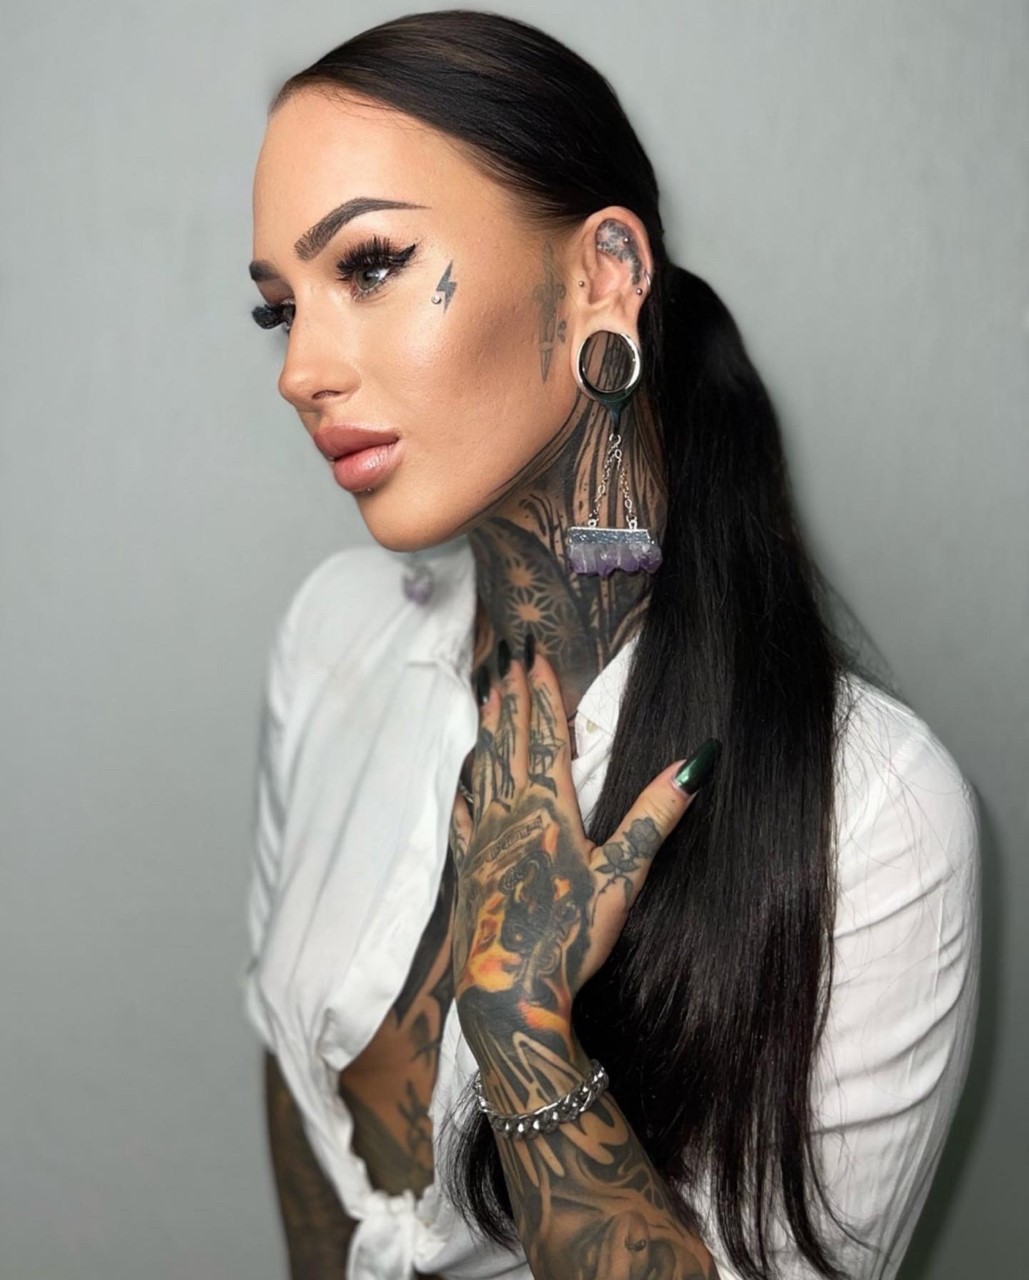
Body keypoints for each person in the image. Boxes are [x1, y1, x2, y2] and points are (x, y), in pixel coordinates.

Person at [242, 11, 979, 1280]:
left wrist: (527, 1034)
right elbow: (312, 1156)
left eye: (370, 265)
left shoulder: (875, 816)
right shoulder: (329, 639)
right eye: (277, 309)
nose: (299, 369)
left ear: (603, 271)